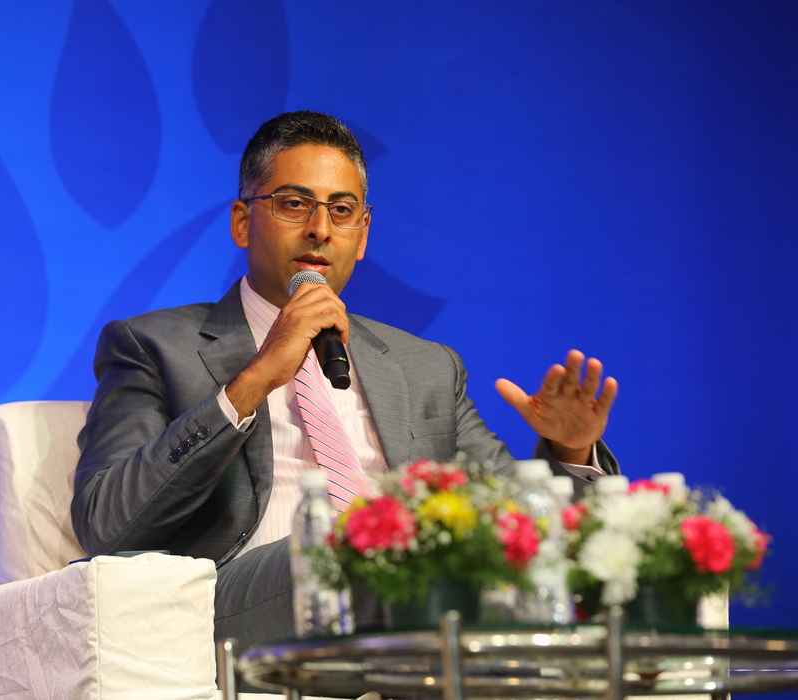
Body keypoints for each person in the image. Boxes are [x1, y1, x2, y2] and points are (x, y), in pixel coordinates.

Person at [71, 111, 620, 649]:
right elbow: (107, 522)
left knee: (517, 561)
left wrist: (571, 451)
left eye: (341, 210)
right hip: (241, 604)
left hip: (412, 598)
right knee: (366, 545)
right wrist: (254, 380)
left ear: (362, 235)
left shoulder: (426, 366)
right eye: (294, 204)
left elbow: (521, 521)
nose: (320, 229)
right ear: (242, 222)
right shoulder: (153, 345)